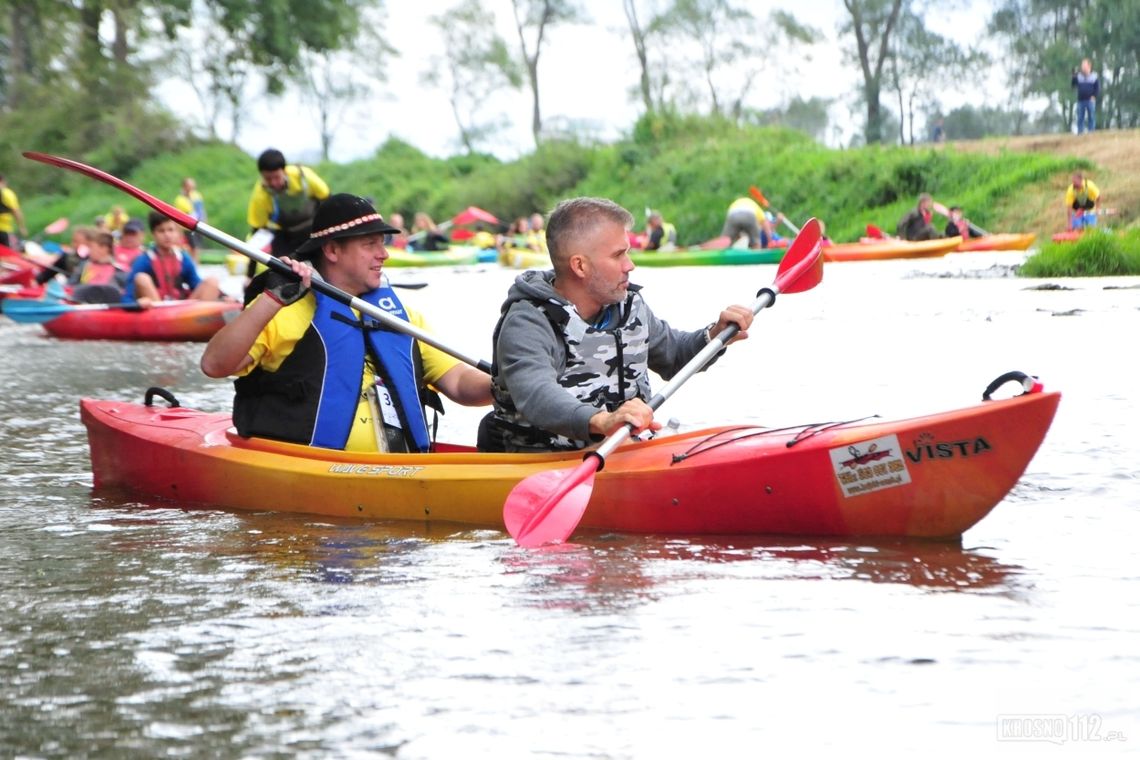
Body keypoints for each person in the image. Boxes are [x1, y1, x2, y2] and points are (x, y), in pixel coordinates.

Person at [200, 193, 492, 453]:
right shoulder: (283, 309)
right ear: (332, 251)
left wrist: (510, 383)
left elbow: (459, 384)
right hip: (311, 468)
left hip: (401, 469)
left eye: (383, 243)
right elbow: (215, 365)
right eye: (370, 244)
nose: (384, 254)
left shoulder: (400, 316)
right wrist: (269, 299)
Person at [476, 196, 754, 454]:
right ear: (580, 266)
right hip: (540, 463)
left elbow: (674, 355)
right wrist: (604, 421)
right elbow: (536, 394)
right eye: (618, 255)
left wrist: (715, 335)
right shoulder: (528, 322)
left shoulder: (628, 305)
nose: (629, 265)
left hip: (623, 452)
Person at [246, 148, 330, 260]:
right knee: (281, 266)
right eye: (268, 179)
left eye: (276, 177)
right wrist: (249, 274)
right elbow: (258, 232)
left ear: (284, 171)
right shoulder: (260, 194)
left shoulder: (304, 176)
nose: (273, 183)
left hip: (314, 228)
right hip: (287, 235)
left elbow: (328, 200)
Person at [123, 211, 222, 306]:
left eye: (170, 230)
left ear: (177, 233)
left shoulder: (183, 258)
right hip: (157, 309)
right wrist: (136, 304)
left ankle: (200, 320)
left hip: (180, 311)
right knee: (141, 278)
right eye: (161, 231)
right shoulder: (144, 260)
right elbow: (127, 296)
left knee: (212, 282)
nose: (167, 235)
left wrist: (223, 296)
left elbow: (196, 283)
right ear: (153, 234)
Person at [69, 230, 127, 304]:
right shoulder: (84, 266)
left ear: (104, 248)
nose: (89, 251)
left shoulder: (119, 270)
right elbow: (70, 286)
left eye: (92, 247)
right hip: (82, 305)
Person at [173, 177, 207, 260]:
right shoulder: (179, 200)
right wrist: (178, 231)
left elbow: (201, 210)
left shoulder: (197, 195)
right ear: (184, 187)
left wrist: (205, 221)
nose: (192, 188)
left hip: (199, 224)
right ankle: (193, 264)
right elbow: (178, 216)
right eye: (189, 186)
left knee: (197, 248)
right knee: (193, 248)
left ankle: (196, 265)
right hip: (188, 227)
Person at [0, 174, 29, 249]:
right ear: (3, 181)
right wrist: (22, 227)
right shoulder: (7, 193)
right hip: (3, 230)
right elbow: (16, 212)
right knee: (6, 255)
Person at [1072, 59, 1099, 135]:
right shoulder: (1079, 76)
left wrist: (1094, 96)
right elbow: (1073, 86)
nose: (1083, 67)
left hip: (1090, 100)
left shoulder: (1094, 76)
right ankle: (1080, 132)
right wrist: (1074, 77)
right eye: (1082, 65)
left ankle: (1091, 132)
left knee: (1091, 116)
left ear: (1089, 66)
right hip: (1081, 100)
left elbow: (1097, 88)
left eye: (1084, 65)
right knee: (1080, 117)